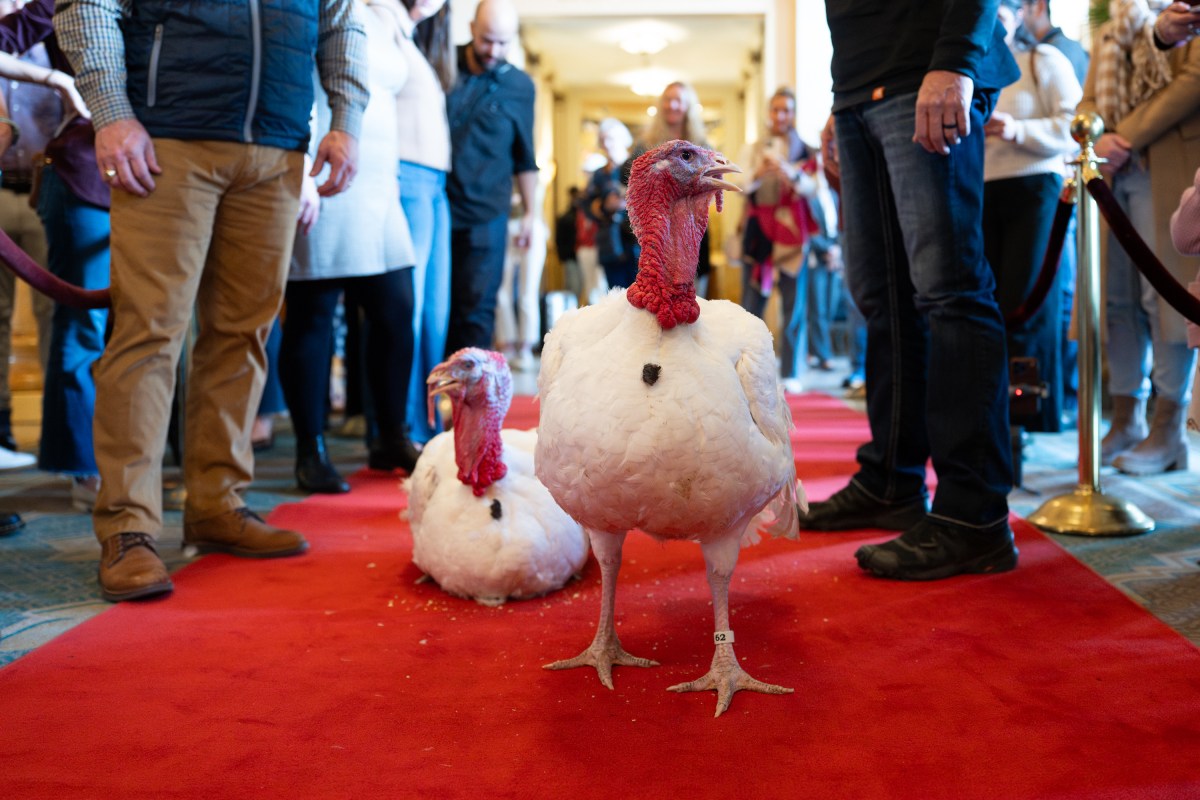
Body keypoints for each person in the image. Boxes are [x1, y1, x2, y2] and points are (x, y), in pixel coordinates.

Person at [54, 0, 368, 602]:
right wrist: (112, 113)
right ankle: (127, 527)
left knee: (243, 335)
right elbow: (87, 6)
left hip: (276, 148)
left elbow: (342, 20)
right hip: (167, 138)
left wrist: (346, 118)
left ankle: (217, 504)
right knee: (147, 335)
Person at [801, 0, 1021, 581]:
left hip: (929, 71)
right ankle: (891, 481)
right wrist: (842, 98)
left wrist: (954, 62)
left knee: (951, 295)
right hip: (859, 89)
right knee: (884, 301)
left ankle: (974, 515)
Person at [280, 0, 418, 495]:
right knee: (313, 312)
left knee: (396, 310)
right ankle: (309, 450)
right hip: (323, 165)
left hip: (378, 176)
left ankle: (390, 436)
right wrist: (297, 171)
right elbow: (293, 74)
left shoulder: (389, 18)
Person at [1078, 0, 1200, 475]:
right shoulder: (1113, 26)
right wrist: (1099, 140)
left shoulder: (1183, 8)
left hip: (1161, 160)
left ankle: (1167, 428)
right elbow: (1089, 99)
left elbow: (1191, 81)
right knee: (1116, 300)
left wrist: (1121, 139)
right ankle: (1126, 417)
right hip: (1113, 175)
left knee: (1164, 298)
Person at [0, 0, 105, 518]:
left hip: (168, 173)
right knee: (81, 321)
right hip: (83, 170)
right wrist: (57, 81)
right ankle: (84, 468)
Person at [983, 0, 1082, 434]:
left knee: (1028, 303)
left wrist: (1017, 129)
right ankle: (995, 416)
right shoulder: (967, 70)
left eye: (1002, 12)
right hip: (982, 191)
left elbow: (1078, 127)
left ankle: (1030, 415)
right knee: (988, 306)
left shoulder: (1042, 59)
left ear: (1019, 14)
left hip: (1035, 187)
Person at [373, 0, 454, 447]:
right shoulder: (381, 17)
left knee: (435, 313)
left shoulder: (414, 39)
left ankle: (425, 426)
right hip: (406, 176)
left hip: (435, 184)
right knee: (415, 310)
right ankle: (403, 428)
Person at [444, 0, 537, 356]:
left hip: (488, 214)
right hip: (439, 206)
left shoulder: (520, 86)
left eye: (503, 42)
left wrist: (530, 214)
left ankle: (468, 405)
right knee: (438, 307)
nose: (493, 51)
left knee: (477, 309)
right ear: (471, 29)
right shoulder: (444, 63)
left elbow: (524, 156)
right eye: (486, 41)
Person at [1020, 0, 1091, 429]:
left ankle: (1060, 396)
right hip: (1033, 188)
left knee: (1056, 296)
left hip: (1059, 185)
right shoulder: (1027, 54)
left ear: (1037, 7)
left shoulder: (1061, 53)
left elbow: (1076, 124)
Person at [734, 87, 818, 391]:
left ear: (793, 114)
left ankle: (791, 372)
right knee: (751, 303)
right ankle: (747, 368)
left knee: (794, 305)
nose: (780, 115)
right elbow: (738, 184)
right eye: (775, 109)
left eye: (786, 110)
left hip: (793, 237)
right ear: (768, 113)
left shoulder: (806, 151)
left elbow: (814, 189)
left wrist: (789, 172)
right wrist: (759, 171)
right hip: (758, 234)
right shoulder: (753, 148)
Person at [630, 80, 713, 297]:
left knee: (693, 294)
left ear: (687, 106)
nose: (672, 105)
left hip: (691, 229)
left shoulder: (702, 144)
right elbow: (628, 179)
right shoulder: (645, 144)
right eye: (668, 100)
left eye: (678, 100)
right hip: (656, 231)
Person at [584, 117, 638, 292]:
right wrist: (604, 207)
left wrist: (626, 203)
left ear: (624, 139)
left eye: (612, 138)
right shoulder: (599, 175)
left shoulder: (637, 167)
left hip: (636, 244)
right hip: (609, 246)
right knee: (616, 298)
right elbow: (587, 205)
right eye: (603, 139)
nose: (607, 144)